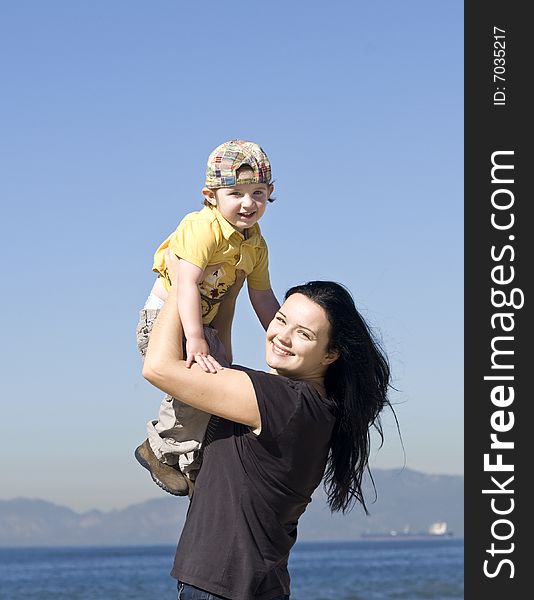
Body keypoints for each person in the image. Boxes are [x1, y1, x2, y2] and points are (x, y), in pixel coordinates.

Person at [142, 249, 393, 600]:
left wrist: (180, 278)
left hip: (223, 587)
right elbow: (218, 362)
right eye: (279, 319)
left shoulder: (285, 403)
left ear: (330, 354)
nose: (282, 336)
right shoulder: (309, 407)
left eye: (303, 334)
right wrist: (229, 293)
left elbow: (158, 367)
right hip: (252, 586)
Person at [135, 139, 280, 497]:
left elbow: (261, 297)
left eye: (257, 192)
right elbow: (186, 284)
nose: (248, 203)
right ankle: (160, 449)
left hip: (203, 326)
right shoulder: (202, 227)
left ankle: (191, 461)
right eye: (236, 193)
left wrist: (281, 333)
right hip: (164, 323)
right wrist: (196, 338)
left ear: (270, 193)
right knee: (195, 384)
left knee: (220, 388)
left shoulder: (256, 245)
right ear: (211, 195)